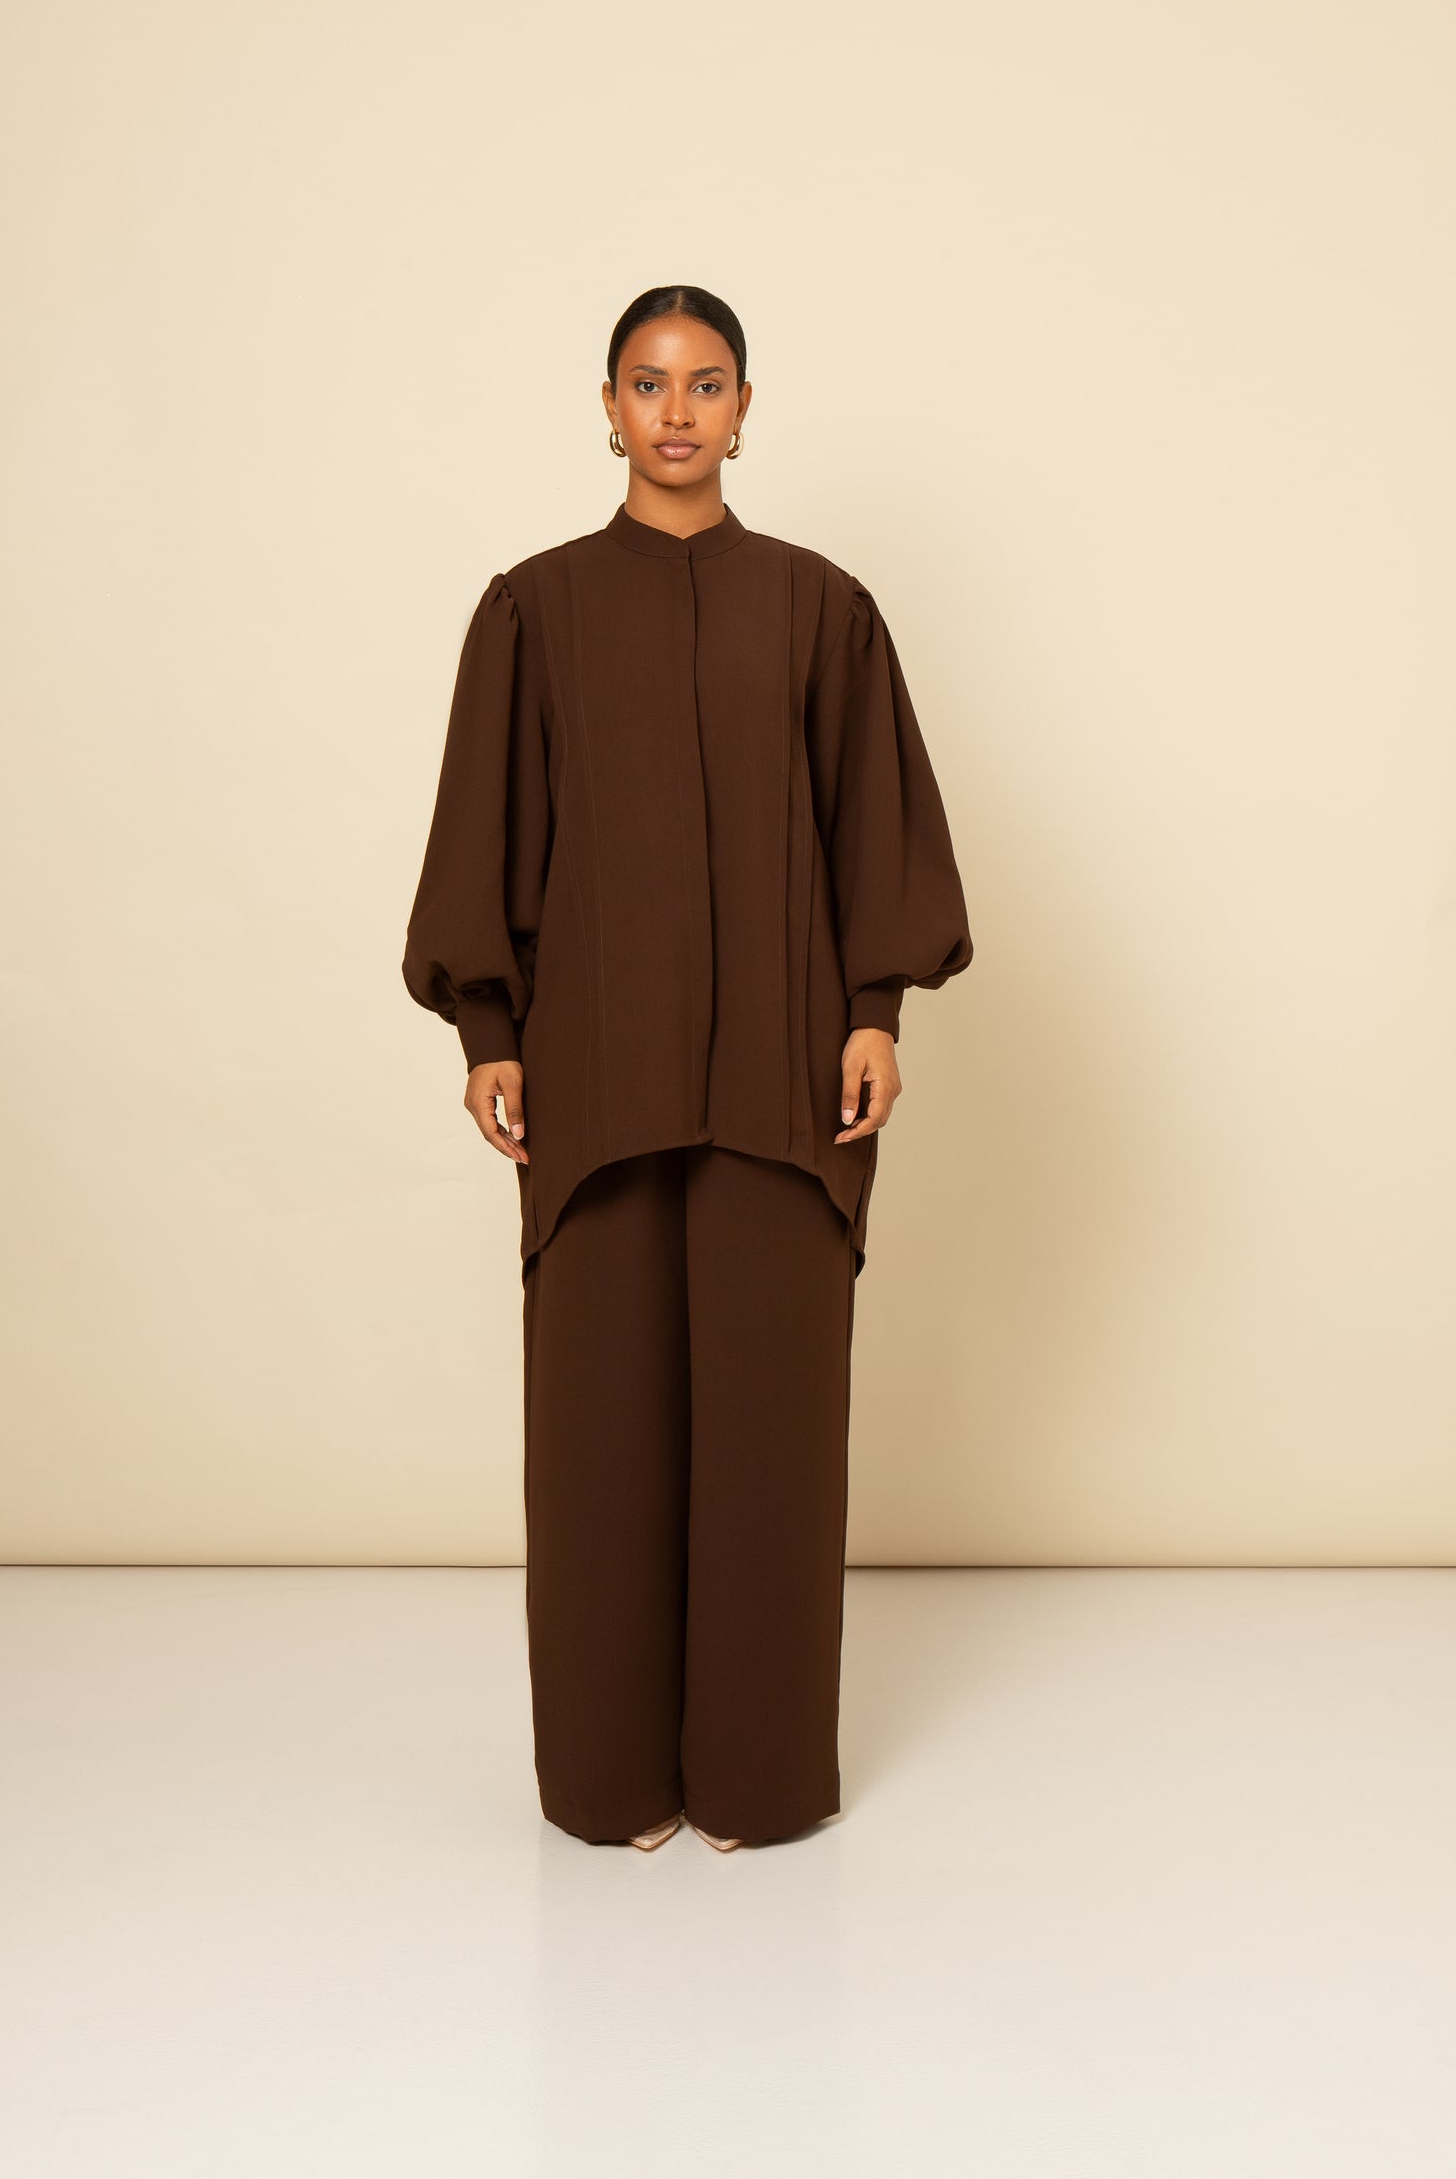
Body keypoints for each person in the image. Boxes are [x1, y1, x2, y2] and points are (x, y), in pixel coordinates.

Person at [403, 284, 974, 1852]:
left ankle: (758, 1779)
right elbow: (488, 831)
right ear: (607, 407)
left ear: (744, 408)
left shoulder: (820, 608)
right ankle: (607, 1780)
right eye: (647, 384)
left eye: (705, 382)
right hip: (593, 1079)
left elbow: (870, 820)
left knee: (773, 1432)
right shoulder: (533, 610)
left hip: (784, 1081)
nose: (676, 411)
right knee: (601, 1435)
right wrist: (491, 1031)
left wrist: (874, 1009)